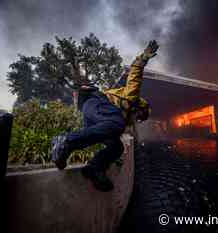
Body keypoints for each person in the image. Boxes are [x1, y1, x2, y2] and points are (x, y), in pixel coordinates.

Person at [50, 40, 159, 192]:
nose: (137, 120)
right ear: (140, 109)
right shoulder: (132, 98)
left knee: (116, 147)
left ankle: (94, 168)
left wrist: (115, 157)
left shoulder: (122, 117)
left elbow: (109, 132)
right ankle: (65, 140)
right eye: (139, 117)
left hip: (94, 113)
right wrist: (144, 56)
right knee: (117, 124)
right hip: (95, 101)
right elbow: (135, 73)